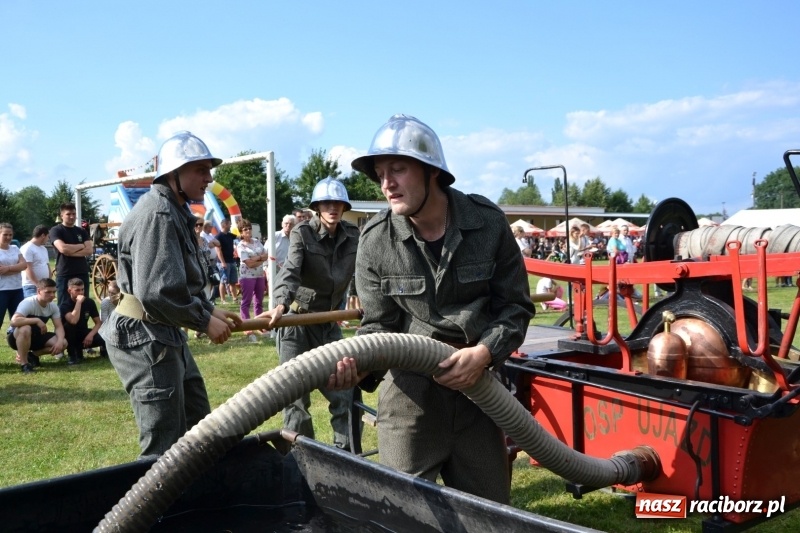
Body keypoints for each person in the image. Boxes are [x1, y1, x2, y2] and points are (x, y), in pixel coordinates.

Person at [328, 114, 535, 503]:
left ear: (432, 172)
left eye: (398, 169)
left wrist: (485, 352)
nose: (386, 183)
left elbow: (515, 308)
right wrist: (356, 368)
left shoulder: (487, 224)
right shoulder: (375, 240)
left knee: (491, 518)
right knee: (403, 516)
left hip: (480, 395)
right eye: (379, 172)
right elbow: (378, 326)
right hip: (410, 400)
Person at [100, 131, 242, 458]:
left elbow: (181, 280)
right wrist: (203, 320)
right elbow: (157, 292)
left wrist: (208, 310)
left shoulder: (174, 209)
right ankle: (158, 511)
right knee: (163, 447)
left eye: (209, 169)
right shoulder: (158, 214)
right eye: (200, 170)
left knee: (197, 425)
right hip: (145, 337)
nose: (209, 177)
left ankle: (192, 504)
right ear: (173, 174)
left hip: (163, 331)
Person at [258, 177, 360, 450]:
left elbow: (363, 273)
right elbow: (289, 270)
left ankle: (346, 459)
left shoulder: (353, 237)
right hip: (297, 324)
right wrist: (280, 303)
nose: (332, 208)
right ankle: (302, 461)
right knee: (295, 397)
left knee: (345, 393)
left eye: (338, 203)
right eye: (326, 203)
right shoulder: (302, 233)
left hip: (329, 325)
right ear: (317, 207)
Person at [7, 278, 67, 374]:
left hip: (37, 336)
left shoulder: (53, 306)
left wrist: (59, 341)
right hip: (16, 337)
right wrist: (36, 320)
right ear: (39, 291)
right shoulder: (28, 303)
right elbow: (14, 321)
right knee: (25, 328)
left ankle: (32, 355)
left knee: (64, 342)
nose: (52, 295)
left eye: (54, 292)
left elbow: (59, 326)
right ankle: (24, 364)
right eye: (48, 292)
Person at [49, 203, 92, 305]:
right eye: (68, 214)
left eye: (74, 214)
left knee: (83, 304)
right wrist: (81, 245)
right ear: (61, 216)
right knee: (64, 305)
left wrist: (70, 251)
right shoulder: (56, 230)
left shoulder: (81, 231)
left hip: (82, 272)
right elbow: (63, 249)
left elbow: (89, 250)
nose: (72, 216)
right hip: (65, 273)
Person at [59, 278, 107, 364]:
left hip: (84, 334)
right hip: (69, 337)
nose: (81, 292)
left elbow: (98, 322)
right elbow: (73, 320)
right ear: (69, 291)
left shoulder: (89, 302)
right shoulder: (65, 305)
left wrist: (90, 335)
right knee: (69, 326)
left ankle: (104, 351)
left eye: (82, 289)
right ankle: (72, 356)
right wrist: (78, 303)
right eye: (77, 290)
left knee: (106, 335)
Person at [236, 219, 267, 336]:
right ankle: (246, 326)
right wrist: (260, 258)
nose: (248, 230)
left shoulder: (257, 242)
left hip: (259, 275)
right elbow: (248, 263)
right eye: (245, 229)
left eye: (249, 228)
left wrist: (255, 258)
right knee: (246, 302)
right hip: (247, 277)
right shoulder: (240, 246)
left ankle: (259, 325)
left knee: (259, 301)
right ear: (241, 232)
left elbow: (266, 255)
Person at [1, 223, 27, 337]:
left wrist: (8, 268)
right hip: (2, 290)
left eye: (10, 235)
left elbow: (24, 265)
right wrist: (17, 268)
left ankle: (19, 349)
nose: (8, 237)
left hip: (17, 289)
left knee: (19, 321)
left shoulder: (15, 248)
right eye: (5, 234)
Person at [20, 225, 51, 298]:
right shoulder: (27, 248)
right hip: (31, 286)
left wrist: (48, 283)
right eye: (48, 236)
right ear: (43, 235)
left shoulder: (44, 249)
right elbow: (28, 268)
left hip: (44, 286)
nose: (48, 239)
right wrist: (38, 285)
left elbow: (47, 266)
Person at [215, 218, 238, 303]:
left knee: (232, 281)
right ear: (224, 225)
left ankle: (235, 298)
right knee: (223, 281)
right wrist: (223, 262)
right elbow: (218, 251)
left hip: (231, 261)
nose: (230, 225)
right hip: (224, 263)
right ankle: (223, 299)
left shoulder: (230, 235)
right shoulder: (218, 236)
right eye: (229, 224)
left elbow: (240, 237)